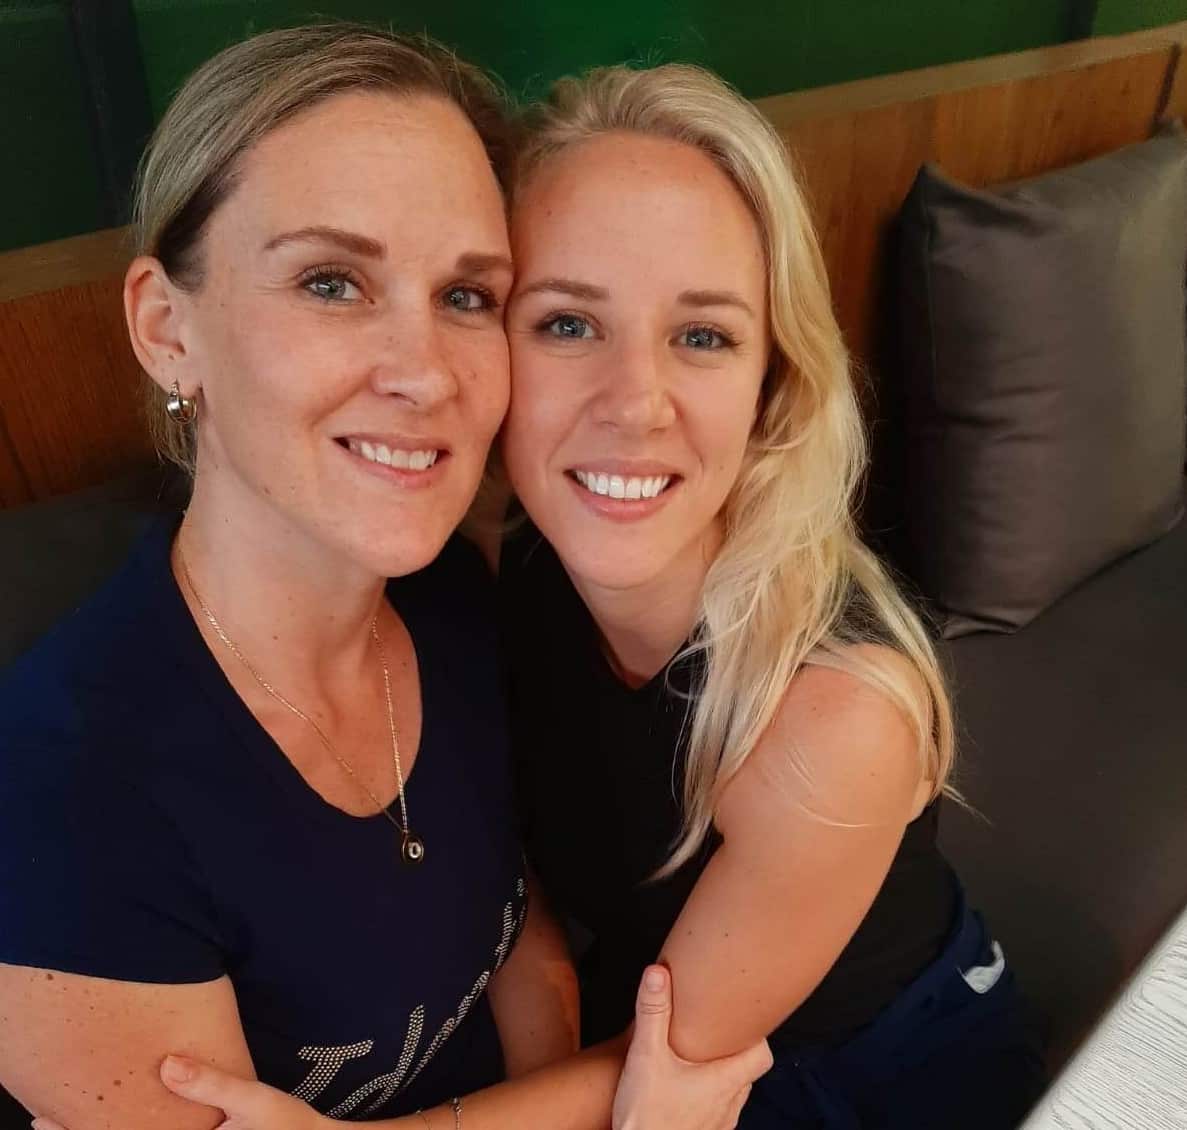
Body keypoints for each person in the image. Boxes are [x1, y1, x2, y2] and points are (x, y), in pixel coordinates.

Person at [0, 27, 768, 1130]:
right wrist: (628, 1091)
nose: (423, 373)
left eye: (465, 297)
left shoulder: (453, 596)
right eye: (331, 281)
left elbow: (523, 951)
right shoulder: (57, 800)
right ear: (167, 328)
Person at [497, 63, 1047, 1129]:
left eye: (701, 335)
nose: (634, 402)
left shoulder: (838, 713)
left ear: (771, 386)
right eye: (565, 322)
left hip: (880, 1065)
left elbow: (680, 1060)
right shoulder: (510, 562)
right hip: (649, 1005)